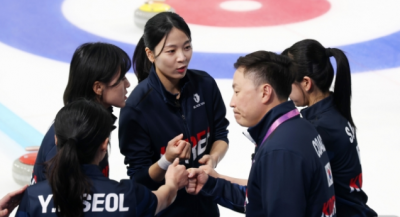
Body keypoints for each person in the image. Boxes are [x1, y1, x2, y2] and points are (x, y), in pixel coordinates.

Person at [186, 51, 336, 217]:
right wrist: (211, 185)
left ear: (265, 92)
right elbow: (260, 200)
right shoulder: (299, 128)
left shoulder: (280, 151)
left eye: (237, 92)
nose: (232, 103)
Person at [119, 12, 229, 216]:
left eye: (187, 47)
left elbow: (221, 134)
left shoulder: (205, 85)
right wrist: (166, 160)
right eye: (171, 51)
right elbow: (138, 179)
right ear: (150, 54)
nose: (182, 57)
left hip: (206, 207)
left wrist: (213, 158)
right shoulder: (136, 107)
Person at [16, 99, 188, 217]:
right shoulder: (127, 195)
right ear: (104, 145)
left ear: (56, 140)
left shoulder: (33, 198)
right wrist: (172, 183)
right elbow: (163, 198)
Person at [281, 39, 377, 216]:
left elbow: (285, 193)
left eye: (288, 83)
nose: (286, 91)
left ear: (306, 83)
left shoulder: (318, 129)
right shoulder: (333, 110)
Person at [32, 42, 131, 184]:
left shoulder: (87, 122)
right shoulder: (76, 134)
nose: (127, 84)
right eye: (121, 79)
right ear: (98, 87)